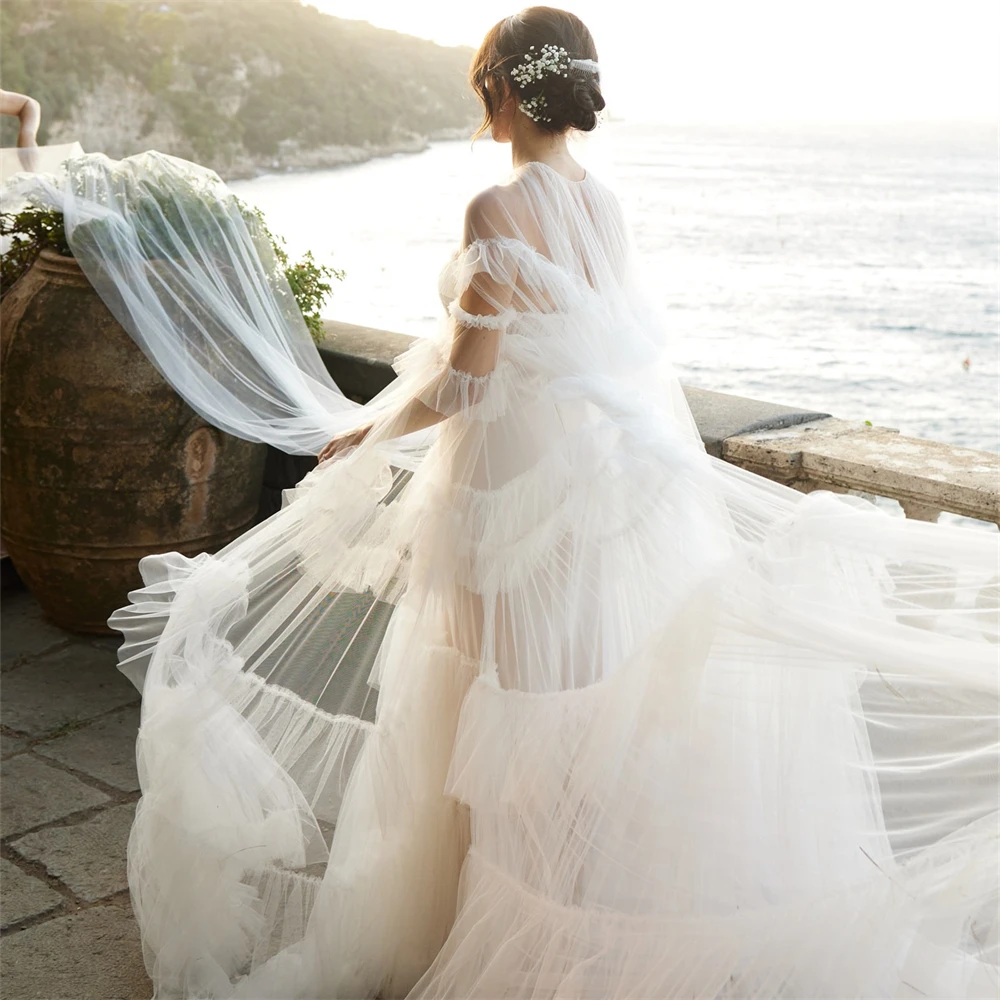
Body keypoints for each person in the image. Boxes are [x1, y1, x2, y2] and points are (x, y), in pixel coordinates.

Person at [107, 7, 997, 999]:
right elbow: (596, 350)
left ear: (500, 85)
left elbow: (467, 385)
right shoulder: (601, 201)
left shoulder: (495, 211)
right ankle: (561, 915)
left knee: (505, 709)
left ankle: (525, 945)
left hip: (504, 502)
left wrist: (366, 431)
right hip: (596, 494)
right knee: (574, 707)